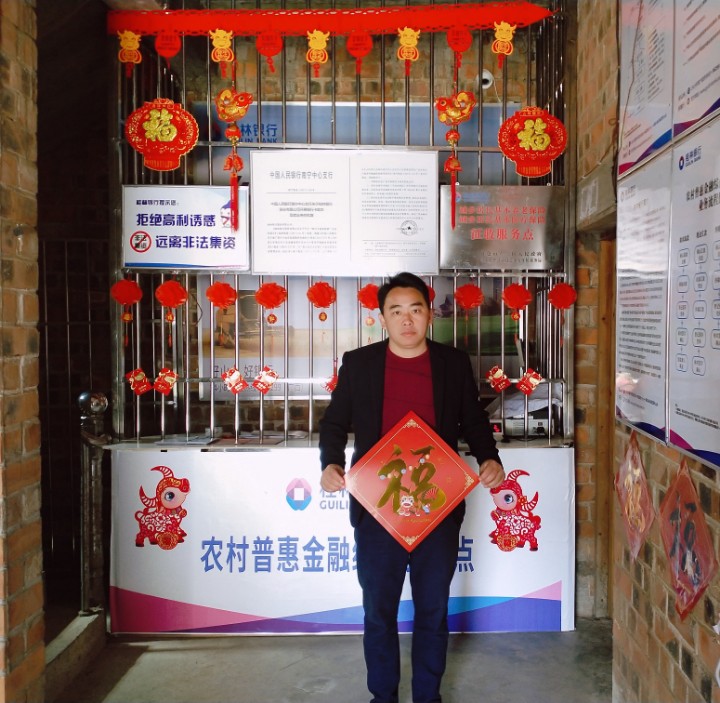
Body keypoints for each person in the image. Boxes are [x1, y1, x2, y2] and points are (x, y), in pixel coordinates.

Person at [319, 272, 505, 703]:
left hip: (437, 505)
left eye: (415, 310)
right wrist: (330, 463)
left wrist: (489, 456)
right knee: (378, 611)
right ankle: (382, 697)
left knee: (433, 610)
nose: (407, 320)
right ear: (382, 318)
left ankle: (427, 696)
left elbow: (473, 420)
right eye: (396, 311)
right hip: (378, 507)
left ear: (429, 314)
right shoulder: (359, 364)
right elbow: (334, 423)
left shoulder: (452, 363)